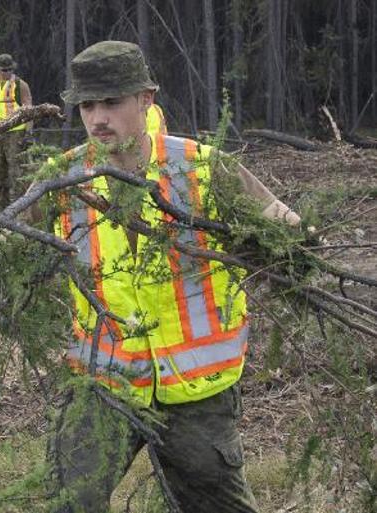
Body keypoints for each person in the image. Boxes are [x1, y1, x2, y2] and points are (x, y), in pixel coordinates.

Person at [46, 41, 300, 513]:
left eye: (111, 103)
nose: (97, 118)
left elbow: (284, 229)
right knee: (70, 503)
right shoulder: (63, 179)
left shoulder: (202, 167)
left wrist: (297, 250)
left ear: (145, 99)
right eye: (87, 105)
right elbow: (4, 247)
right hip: (103, 382)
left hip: (196, 391)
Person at [0, 53, 34, 208]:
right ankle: (0, 207)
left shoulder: (20, 85)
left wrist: (28, 132)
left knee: (17, 171)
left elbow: (29, 109)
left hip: (16, 132)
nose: (6, 72)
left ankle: (21, 207)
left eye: (9, 69)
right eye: (4, 69)